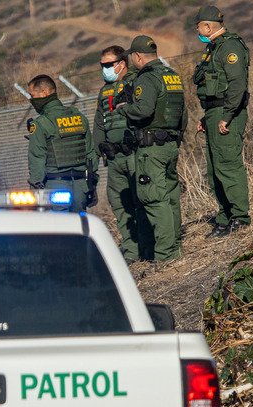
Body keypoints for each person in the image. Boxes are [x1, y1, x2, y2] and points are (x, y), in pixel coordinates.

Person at [116, 35, 187, 262]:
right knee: (170, 197)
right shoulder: (171, 75)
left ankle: (165, 255)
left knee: (154, 199)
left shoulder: (146, 79)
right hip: (170, 145)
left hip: (151, 148)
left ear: (137, 56)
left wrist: (124, 108)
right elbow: (182, 113)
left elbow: (143, 110)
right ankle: (175, 249)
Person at [193, 5, 251, 238]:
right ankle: (225, 217)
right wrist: (206, 117)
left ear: (208, 26)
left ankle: (240, 217)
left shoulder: (230, 47)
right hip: (215, 114)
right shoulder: (213, 48)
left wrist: (226, 116)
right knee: (215, 169)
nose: (196, 29)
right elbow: (214, 88)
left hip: (228, 114)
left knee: (228, 165)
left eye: (198, 25)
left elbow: (237, 85)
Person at [93, 45, 146, 264]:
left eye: (108, 65)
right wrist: (97, 153)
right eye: (102, 65)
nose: (104, 69)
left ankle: (148, 246)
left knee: (141, 200)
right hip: (114, 158)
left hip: (135, 153)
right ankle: (131, 251)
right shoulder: (104, 90)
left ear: (122, 64)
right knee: (119, 203)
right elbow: (99, 123)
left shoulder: (136, 82)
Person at [27, 74, 98, 212]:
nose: (31, 100)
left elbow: (37, 160)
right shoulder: (79, 117)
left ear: (44, 93)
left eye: (32, 95)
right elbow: (91, 154)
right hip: (80, 186)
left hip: (56, 187)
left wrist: (34, 191)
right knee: (79, 228)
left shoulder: (41, 124)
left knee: (59, 229)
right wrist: (92, 185)